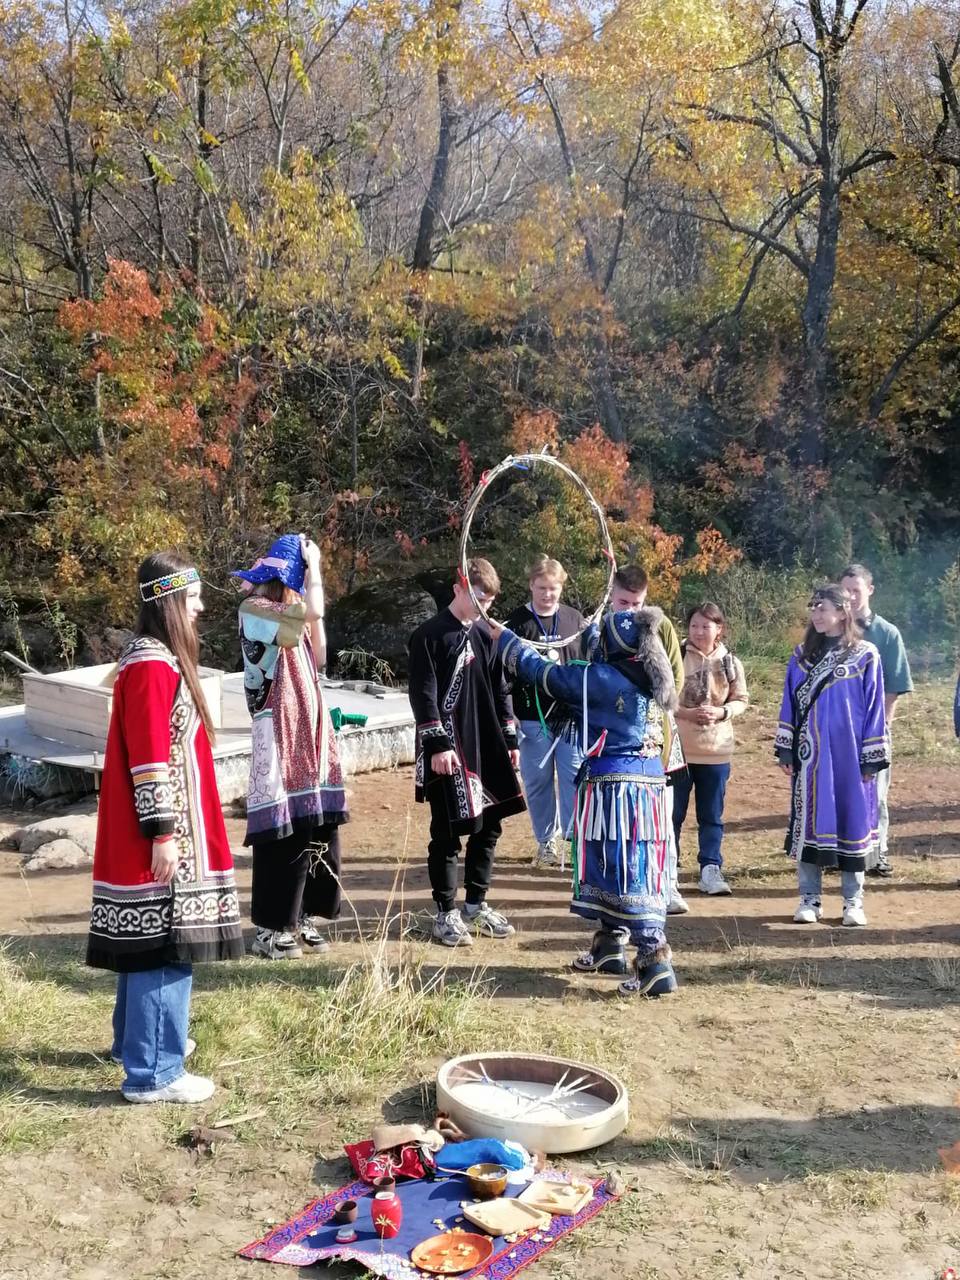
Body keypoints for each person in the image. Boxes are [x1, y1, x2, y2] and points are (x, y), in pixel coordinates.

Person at [87, 552, 244, 1104]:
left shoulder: (148, 659)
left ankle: (138, 1042)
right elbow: (150, 758)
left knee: (149, 938)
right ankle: (154, 1068)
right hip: (162, 830)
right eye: (193, 597)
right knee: (165, 940)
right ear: (171, 602)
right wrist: (163, 832)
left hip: (165, 827)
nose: (201, 607)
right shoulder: (152, 664)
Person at [491, 606, 680, 996]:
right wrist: (595, 631)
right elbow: (598, 651)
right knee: (611, 863)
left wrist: (507, 640)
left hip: (618, 793)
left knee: (629, 868)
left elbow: (547, 675)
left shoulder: (602, 679)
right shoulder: (640, 672)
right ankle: (610, 946)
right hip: (643, 787)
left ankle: (654, 961)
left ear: (613, 646)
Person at [233, 533, 348, 960]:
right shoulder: (255, 609)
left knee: (315, 825)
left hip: (308, 728)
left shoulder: (290, 615)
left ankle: (301, 915)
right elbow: (312, 610)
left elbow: (318, 655)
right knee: (281, 831)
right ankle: (269, 928)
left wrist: (312, 599)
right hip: (278, 731)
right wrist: (314, 568)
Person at [407, 557, 525, 947]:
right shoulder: (428, 635)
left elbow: (501, 688)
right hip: (448, 746)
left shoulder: (487, 634)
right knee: (447, 831)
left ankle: (476, 903)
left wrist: (509, 739)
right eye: (477, 598)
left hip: (485, 742)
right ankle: (446, 912)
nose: (482, 608)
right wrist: (437, 744)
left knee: (489, 825)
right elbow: (423, 695)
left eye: (489, 602)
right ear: (459, 587)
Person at [775, 584, 889, 927]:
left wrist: (871, 757)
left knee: (852, 820)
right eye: (813, 608)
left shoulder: (866, 655)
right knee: (809, 822)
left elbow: (875, 708)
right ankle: (809, 898)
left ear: (842, 612)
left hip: (851, 759)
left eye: (822, 608)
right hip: (811, 760)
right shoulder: (800, 657)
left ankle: (853, 902)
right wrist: (786, 746)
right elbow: (789, 704)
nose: (816, 614)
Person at [580, 563, 687, 913]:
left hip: (655, 736)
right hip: (611, 742)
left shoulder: (659, 626)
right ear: (612, 596)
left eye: (637, 604)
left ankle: (666, 884)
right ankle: (616, 889)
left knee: (660, 819)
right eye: (625, 602)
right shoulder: (599, 631)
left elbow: (674, 679)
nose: (631, 611)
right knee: (617, 826)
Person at [505, 555, 586, 869]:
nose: (547, 594)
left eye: (552, 588)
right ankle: (545, 842)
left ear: (560, 587)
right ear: (531, 586)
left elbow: (585, 664)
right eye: (541, 587)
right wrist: (509, 714)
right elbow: (504, 672)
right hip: (531, 717)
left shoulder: (574, 620)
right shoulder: (516, 623)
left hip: (569, 717)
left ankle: (574, 838)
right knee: (537, 781)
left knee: (573, 777)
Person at [839, 564, 913, 877]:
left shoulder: (886, 633)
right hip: (837, 730)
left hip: (872, 731)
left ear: (870, 590)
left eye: (857, 589)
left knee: (876, 794)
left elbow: (893, 688)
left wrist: (877, 730)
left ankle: (878, 852)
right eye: (846, 590)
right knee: (840, 790)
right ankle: (842, 850)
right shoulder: (830, 629)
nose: (852, 596)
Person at [673, 602, 749, 897]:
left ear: (720, 629)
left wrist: (722, 713)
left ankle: (710, 868)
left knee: (711, 816)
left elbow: (741, 699)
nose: (699, 631)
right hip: (678, 751)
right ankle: (669, 869)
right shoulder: (675, 656)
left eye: (706, 626)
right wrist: (686, 714)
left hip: (716, 751)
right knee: (672, 814)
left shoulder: (731, 662)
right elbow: (662, 696)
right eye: (694, 625)